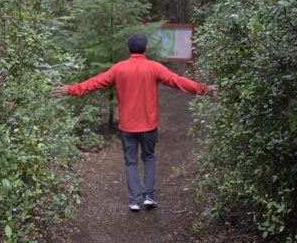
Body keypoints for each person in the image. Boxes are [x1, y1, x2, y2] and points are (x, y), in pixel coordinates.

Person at [51, 34, 216, 211]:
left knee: (130, 162)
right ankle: (149, 197)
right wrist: (203, 89)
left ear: (129, 49)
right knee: (149, 157)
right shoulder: (154, 67)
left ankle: (134, 201)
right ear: (145, 49)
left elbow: (95, 83)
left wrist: (71, 89)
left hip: (127, 126)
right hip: (149, 125)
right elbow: (177, 81)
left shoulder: (119, 69)